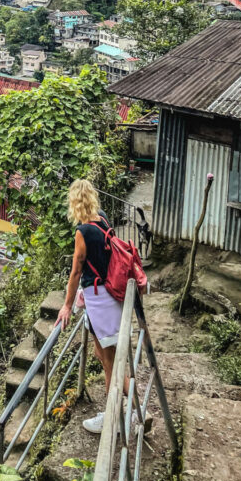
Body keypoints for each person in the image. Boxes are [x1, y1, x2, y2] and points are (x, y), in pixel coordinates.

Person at [55, 178, 144, 435]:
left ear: (73, 203)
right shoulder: (102, 219)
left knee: (110, 362)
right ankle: (129, 411)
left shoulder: (83, 232)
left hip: (99, 301)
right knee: (105, 356)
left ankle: (119, 415)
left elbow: (75, 272)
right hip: (112, 295)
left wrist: (66, 306)